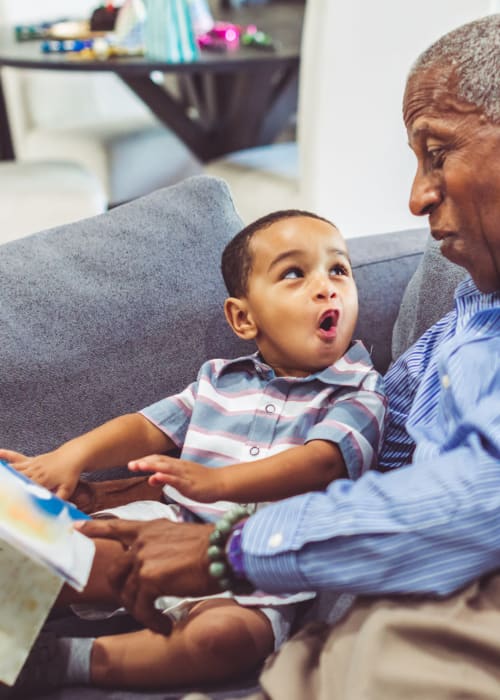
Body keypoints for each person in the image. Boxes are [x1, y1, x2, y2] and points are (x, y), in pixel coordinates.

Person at [78, 13, 500, 699]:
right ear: (240, 318)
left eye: (438, 151)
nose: (417, 195)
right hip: (353, 609)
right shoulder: (466, 315)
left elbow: (479, 492)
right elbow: (375, 454)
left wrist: (230, 546)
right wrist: (136, 488)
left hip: (441, 610)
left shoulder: (362, 380)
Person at [0, 210, 386, 691]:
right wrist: (70, 456)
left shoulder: (359, 392)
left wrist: (218, 483)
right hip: (166, 530)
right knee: (64, 548)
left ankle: (62, 660)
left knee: (224, 639)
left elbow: (321, 462)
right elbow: (144, 427)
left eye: (339, 270)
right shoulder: (219, 380)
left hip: (261, 572)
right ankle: (13, 622)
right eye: (294, 273)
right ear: (243, 317)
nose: (327, 287)